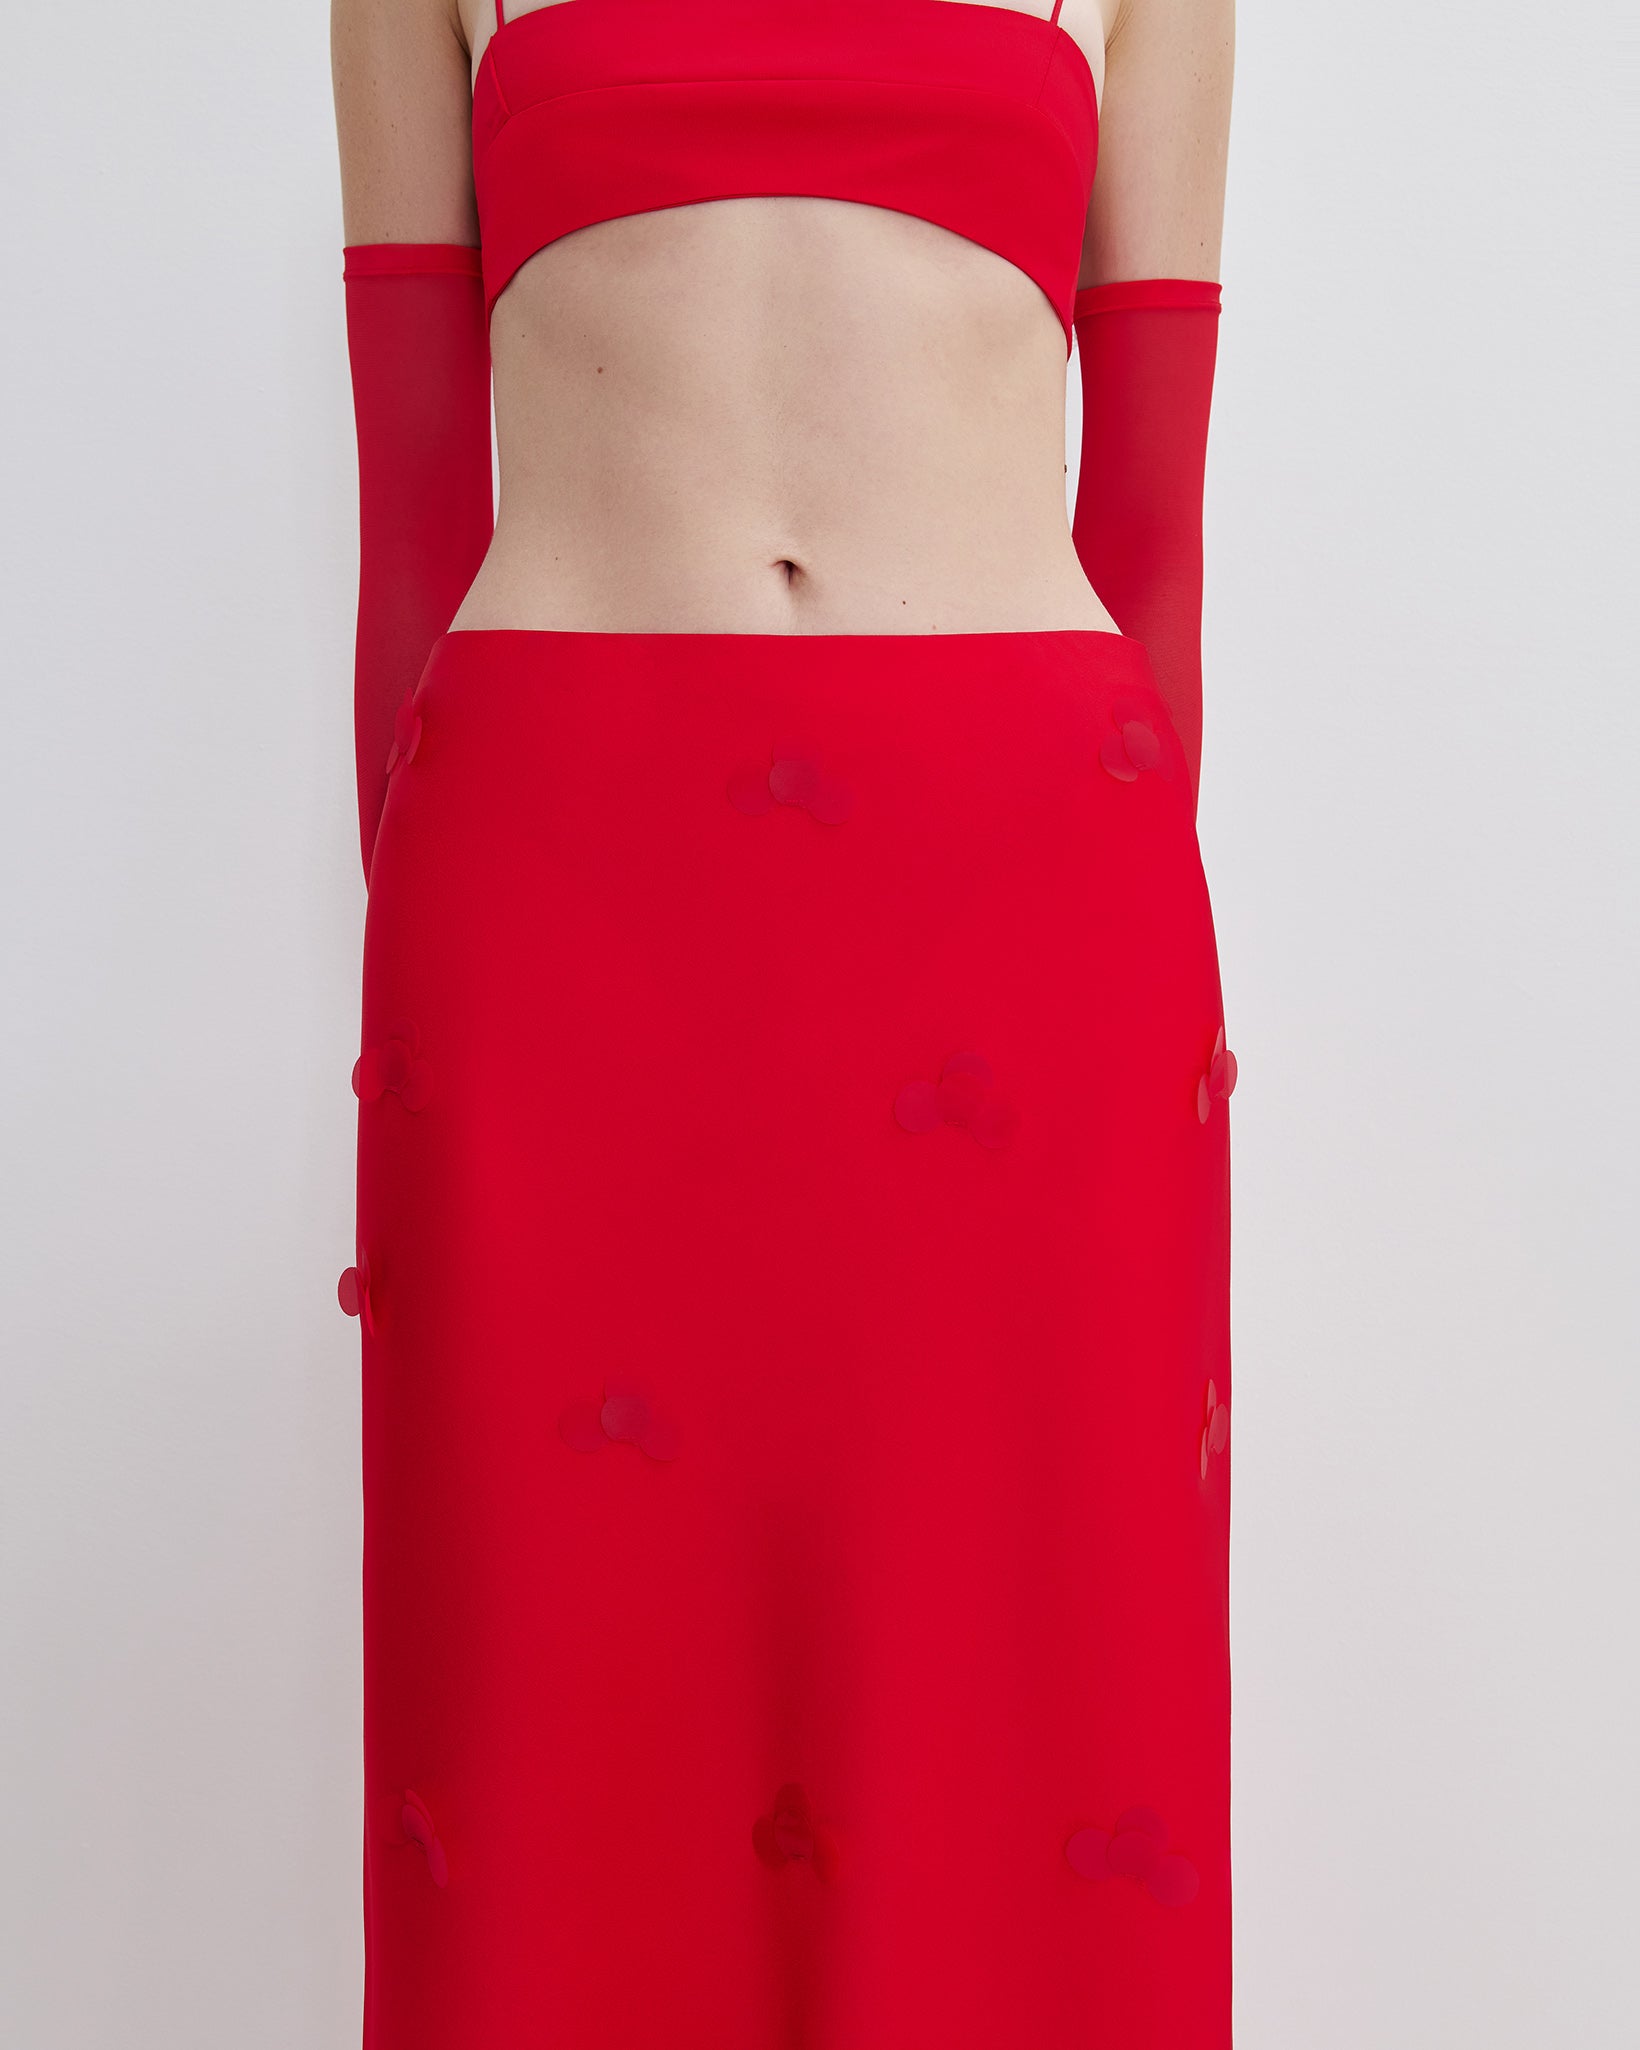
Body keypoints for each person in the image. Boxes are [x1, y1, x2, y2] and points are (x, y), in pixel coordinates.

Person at [331, 0, 1236, 2040]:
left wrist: (1128, 999)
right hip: (559, 896)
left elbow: (1153, 530)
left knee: (1018, 1660)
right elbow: (413, 510)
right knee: (548, 1664)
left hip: (1018, 895)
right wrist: (429, 969)